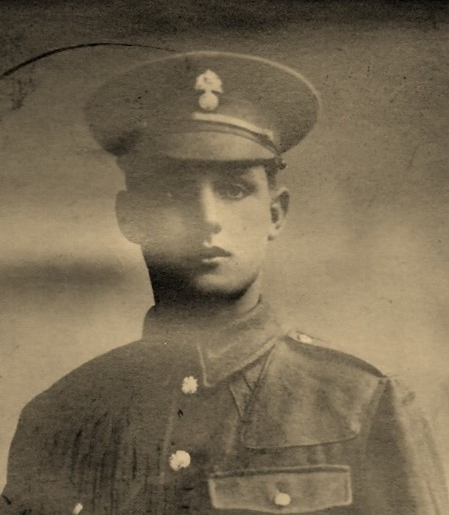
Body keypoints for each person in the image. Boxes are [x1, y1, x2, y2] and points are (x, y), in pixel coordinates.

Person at [1, 51, 448, 515]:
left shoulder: (361, 405)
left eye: (234, 191)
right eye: (175, 193)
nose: (207, 219)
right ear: (131, 216)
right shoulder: (60, 417)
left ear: (275, 213)